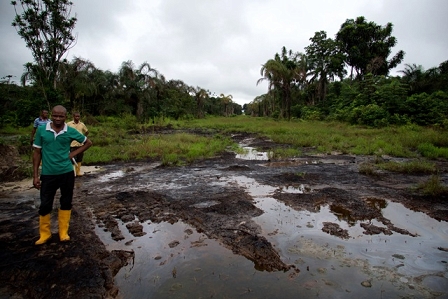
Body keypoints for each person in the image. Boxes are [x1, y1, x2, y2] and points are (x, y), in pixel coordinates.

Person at [32, 105, 92, 245]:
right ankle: (44, 234)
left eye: (61, 116)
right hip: (48, 173)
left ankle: (63, 232)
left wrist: (72, 154)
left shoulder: (69, 131)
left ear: (66, 117)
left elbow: (88, 142)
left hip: (66, 172)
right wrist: (35, 175)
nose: (58, 119)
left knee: (66, 201)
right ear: (51, 115)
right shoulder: (42, 130)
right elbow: (36, 153)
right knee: (45, 204)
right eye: (55, 116)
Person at [67, 112, 89, 177]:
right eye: (76, 116)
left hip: (80, 144)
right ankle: (72, 172)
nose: (77, 118)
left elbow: (87, 131)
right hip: (72, 144)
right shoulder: (69, 124)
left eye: (78, 116)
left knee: (79, 158)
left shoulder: (82, 124)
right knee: (72, 158)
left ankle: (78, 171)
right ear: (73, 116)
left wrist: (84, 138)